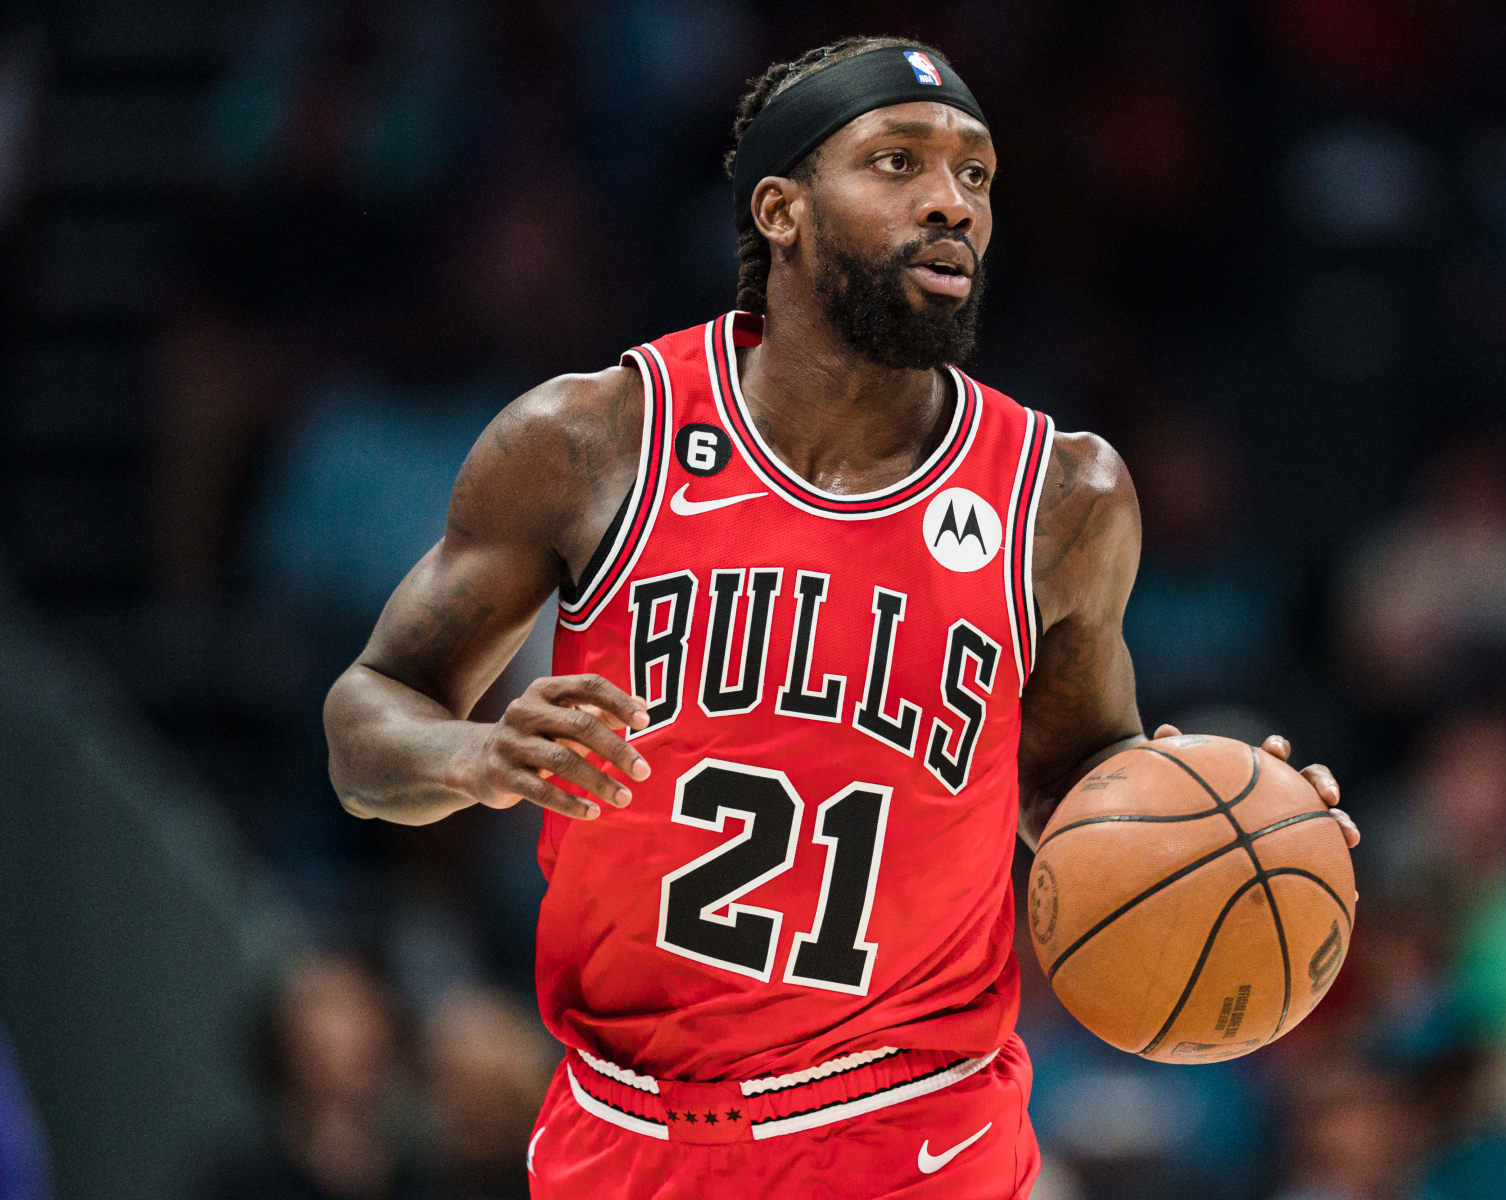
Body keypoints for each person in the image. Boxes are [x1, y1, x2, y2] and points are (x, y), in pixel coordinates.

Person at [323, 34, 1357, 1199]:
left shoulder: (1060, 497)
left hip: (914, 1126)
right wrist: (475, 751)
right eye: (898, 161)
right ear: (782, 209)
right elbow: (368, 725)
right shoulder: (595, 441)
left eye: (976, 175)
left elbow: (1072, 785)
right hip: (628, 1124)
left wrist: (1240, 822)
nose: (951, 202)